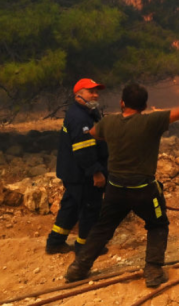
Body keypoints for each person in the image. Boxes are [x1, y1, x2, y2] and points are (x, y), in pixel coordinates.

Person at [65, 82, 179, 287]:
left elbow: (94, 132)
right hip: (143, 190)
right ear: (145, 106)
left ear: (122, 103)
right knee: (158, 225)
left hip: (115, 189)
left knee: (103, 227)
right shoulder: (151, 122)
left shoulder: (109, 123)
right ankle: (153, 270)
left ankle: (79, 268)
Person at [45, 78, 110, 255]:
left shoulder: (86, 112)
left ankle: (55, 242)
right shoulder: (80, 117)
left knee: (71, 206)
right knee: (91, 207)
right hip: (82, 174)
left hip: (72, 172)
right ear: (79, 94)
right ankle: (86, 247)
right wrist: (96, 172)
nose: (95, 94)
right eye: (91, 91)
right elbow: (84, 150)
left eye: (97, 91)